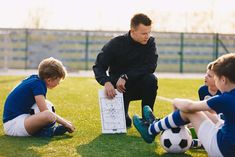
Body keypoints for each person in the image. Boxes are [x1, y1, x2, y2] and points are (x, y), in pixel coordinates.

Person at [133, 53, 235, 156]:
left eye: (216, 78)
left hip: (223, 150)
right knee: (211, 116)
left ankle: (151, 129)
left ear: (223, 79)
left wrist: (176, 101)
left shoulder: (225, 98)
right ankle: (193, 142)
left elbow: (189, 107)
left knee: (188, 112)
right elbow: (212, 113)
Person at [93, 13, 158, 128]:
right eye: (143, 33)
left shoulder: (150, 43)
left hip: (139, 86)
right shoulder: (115, 43)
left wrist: (125, 76)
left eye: (149, 32)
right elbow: (99, 66)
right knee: (123, 124)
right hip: (118, 90)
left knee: (151, 79)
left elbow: (150, 66)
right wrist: (106, 82)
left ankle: (147, 120)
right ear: (132, 31)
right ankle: (124, 116)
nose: (147, 36)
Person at [3, 57, 75, 137]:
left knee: (46, 106)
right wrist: (65, 123)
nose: (58, 83)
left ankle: (47, 130)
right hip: (14, 125)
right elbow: (45, 112)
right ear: (49, 80)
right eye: (58, 81)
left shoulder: (35, 79)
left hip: (18, 120)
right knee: (48, 115)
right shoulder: (38, 84)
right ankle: (48, 131)